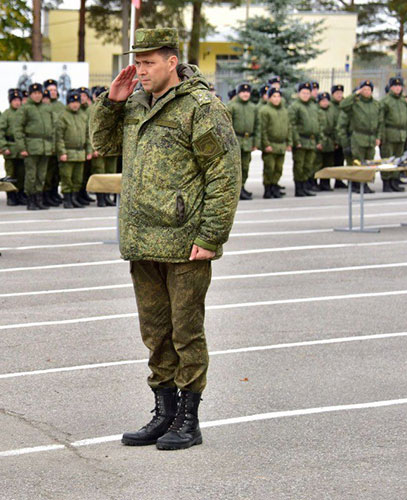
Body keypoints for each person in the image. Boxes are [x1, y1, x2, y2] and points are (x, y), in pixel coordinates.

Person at [91, 27, 239, 451]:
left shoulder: (201, 106)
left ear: (172, 62)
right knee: (155, 333)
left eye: (149, 62)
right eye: (137, 61)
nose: (141, 69)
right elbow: (102, 146)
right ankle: (164, 412)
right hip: (142, 240)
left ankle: (189, 420)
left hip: (185, 242)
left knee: (185, 331)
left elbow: (224, 174)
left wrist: (211, 235)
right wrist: (112, 103)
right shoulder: (136, 103)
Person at [12, 82, 54, 210]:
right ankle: (30, 200)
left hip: (45, 146)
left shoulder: (47, 108)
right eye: (34, 93)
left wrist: (52, 146)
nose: (37, 96)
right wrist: (22, 148)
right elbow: (18, 129)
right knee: (31, 175)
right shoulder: (25, 108)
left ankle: (39, 199)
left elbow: (53, 128)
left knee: (41, 175)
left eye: (39, 93)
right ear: (30, 94)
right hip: (31, 146)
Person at [337, 80, 382, 193]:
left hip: (371, 137)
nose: (366, 91)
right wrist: (355, 94)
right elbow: (343, 105)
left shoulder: (376, 104)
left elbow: (380, 122)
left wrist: (378, 136)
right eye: (364, 89)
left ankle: (365, 183)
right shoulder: (355, 103)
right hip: (358, 136)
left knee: (369, 162)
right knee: (357, 162)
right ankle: (357, 184)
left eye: (369, 89)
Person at [54, 90, 92, 208]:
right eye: (72, 102)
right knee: (67, 178)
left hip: (80, 152)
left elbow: (88, 134)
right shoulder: (63, 116)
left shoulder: (83, 116)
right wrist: (62, 152)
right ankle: (67, 199)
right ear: (68, 103)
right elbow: (58, 137)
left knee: (77, 178)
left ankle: (75, 198)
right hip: (68, 152)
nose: (75, 105)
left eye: (77, 102)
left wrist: (89, 150)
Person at [288, 82, 322, 197]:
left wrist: (319, 140)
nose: (306, 95)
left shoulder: (313, 106)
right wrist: (296, 140)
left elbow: (318, 123)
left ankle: (305, 186)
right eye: (303, 93)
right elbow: (292, 125)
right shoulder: (295, 106)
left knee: (308, 165)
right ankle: (299, 188)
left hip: (311, 141)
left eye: (308, 93)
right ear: (299, 94)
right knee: (299, 165)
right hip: (301, 141)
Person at [226, 82, 259, 200]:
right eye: (243, 92)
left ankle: (242, 187)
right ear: (238, 93)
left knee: (245, 166)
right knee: (235, 167)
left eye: (247, 92)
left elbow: (257, 126)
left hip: (248, 140)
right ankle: (235, 190)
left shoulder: (253, 107)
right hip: (236, 140)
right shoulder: (232, 106)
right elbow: (227, 126)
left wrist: (256, 142)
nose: (245, 94)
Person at [89, 86, 119, 207]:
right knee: (100, 172)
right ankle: (101, 198)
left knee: (110, 173)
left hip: (112, 146)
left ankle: (107, 197)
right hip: (100, 147)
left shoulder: (115, 109)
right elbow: (90, 132)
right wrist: (93, 148)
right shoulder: (93, 110)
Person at [258, 88, 290, 199]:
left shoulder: (284, 111)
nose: (276, 99)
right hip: (270, 144)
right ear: (269, 98)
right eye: (274, 96)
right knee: (269, 168)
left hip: (281, 145)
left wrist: (288, 142)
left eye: (278, 96)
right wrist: (266, 144)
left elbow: (288, 127)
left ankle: (274, 187)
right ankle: (268, 189)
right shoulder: (265, 110)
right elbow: (262, 129)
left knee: (278, 168)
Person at [0, 88, 26, 206]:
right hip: (10, 148)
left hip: (21, 149)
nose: (17, 102)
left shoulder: (24, 113)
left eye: (19, 100)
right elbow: (0, 132)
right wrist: (4, 147)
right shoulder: (6, 114)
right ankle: (11, 196)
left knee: (22, 174)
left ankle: (20, 194)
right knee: (11, 174)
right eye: (14, 100)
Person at [379, 77, 407, 192]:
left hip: (401, 134)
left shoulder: (403, 101)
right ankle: (386, 182)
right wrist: (382, 136)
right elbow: (381, 120)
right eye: (395, 86)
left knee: (398, 159)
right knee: (387, 159)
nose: (397, 88)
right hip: (389, 134)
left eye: (399, 86)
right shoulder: (385, 101)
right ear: (391, 87)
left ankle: (394, 182)